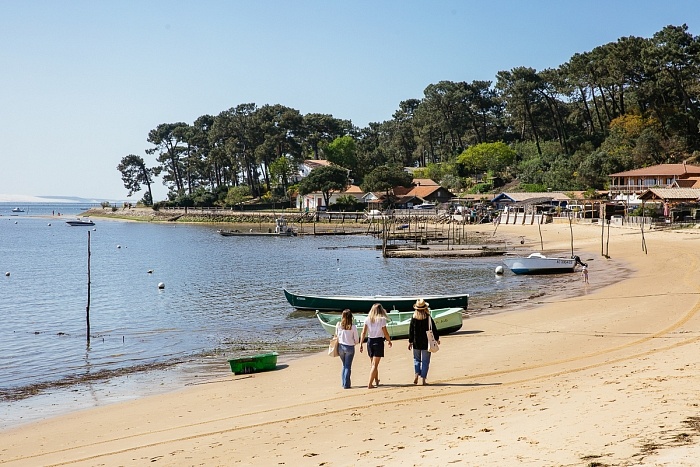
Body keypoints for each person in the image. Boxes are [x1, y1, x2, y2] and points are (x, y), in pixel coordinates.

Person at [359, 303, 392, 389]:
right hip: (378, 341)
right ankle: (370, 384)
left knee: (373, 364)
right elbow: (385, 332)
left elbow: (363, 332)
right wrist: (389, 340)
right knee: (375, 365)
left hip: (370, 341)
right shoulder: (382, 320)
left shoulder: (367, 319)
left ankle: (376, 380)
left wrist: (361, 343)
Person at [408, 298, 440, 385]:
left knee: (416, 359)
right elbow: (434, 329)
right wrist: (437, 339)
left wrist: (410, 341)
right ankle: (423, 379)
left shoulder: (414, 318)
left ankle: (416, 373)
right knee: (425, 361)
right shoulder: (428, 318)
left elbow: (411, 331)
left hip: (416, 342)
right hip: (427, 342)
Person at [335, 309, 359, 389]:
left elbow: (337, 336)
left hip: (341, 347)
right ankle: (346, 384)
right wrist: (354, 343)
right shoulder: (353, 327)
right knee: (347, 366)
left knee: (344, 365)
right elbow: (356, 340)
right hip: (349, 347)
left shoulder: (338, 325)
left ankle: (343, 383)